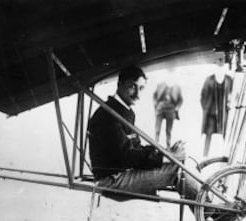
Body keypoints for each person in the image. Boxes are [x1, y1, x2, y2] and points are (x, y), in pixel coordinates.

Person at [88, 65, 200, 203]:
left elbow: (136, 149)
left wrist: (165, 152)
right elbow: (127, 156)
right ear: (120, 84)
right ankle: (215, 215)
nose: (137, 94)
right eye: (132, 87)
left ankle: (210, 213)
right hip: (111, 181)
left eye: (141, 88)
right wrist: (168, 158)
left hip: (122, 174)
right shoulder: (108, 115)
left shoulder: (125, 111)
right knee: (176, 170)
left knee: (181, 167)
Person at [200, 59, 233, 157]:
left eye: (222, 66)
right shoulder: (209, 79)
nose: (220, 68)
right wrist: (205, 107)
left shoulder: (229, 80)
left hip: (223, 111)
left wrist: (230, 103)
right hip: (211, 112)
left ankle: (227, 154)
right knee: (208, 134)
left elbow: (235, 93)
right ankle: (205, 156)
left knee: (225, 133)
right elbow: (203, 96)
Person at [153, 68, 183, 148]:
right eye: (169, 74)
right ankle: (155, 146)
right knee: (157, 130)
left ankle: (168, 147)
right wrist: (156, 105)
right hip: (160, 108)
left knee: (168, 131)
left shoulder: (177, 87)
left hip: (171, 110)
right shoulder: (160, 85)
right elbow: (155, 96)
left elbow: (180, 100)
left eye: (172, 75)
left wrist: (176, 108)